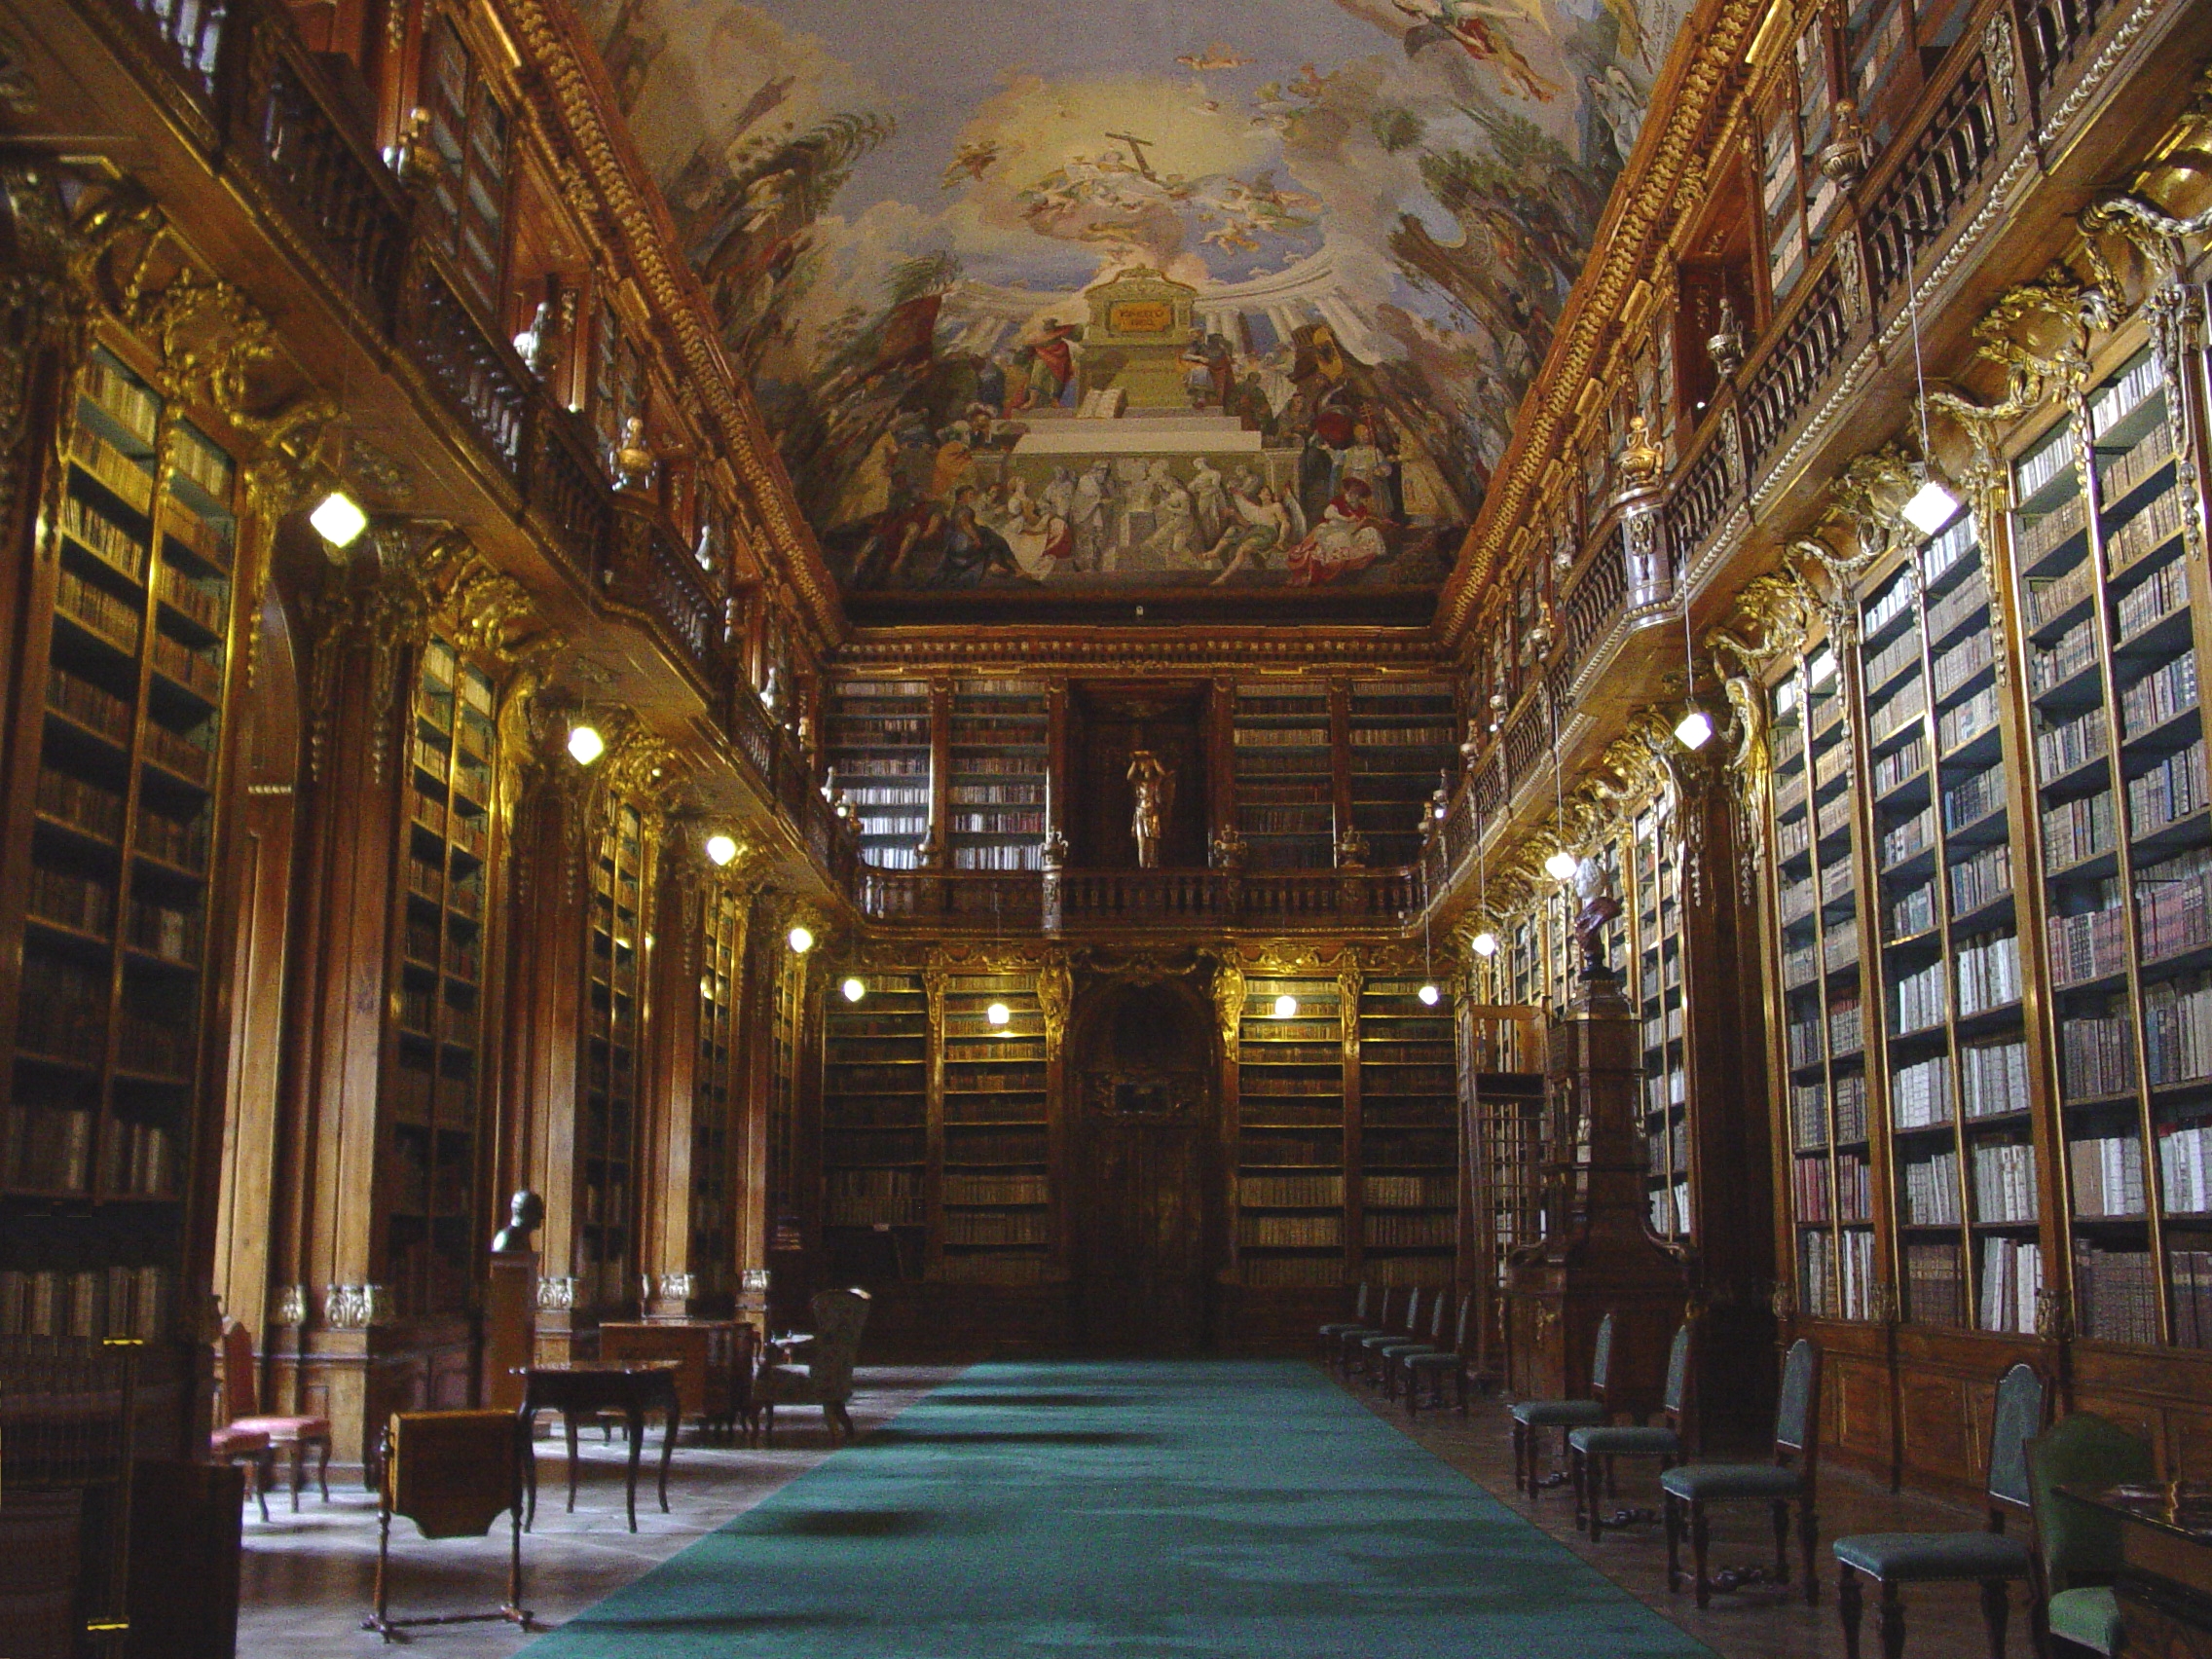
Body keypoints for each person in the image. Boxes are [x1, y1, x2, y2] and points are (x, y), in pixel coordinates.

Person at [1287, 476, 1386, 585]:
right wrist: (1346, 519)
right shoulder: (1338, 501)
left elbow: (1359, 524)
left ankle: (1375, 557)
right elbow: (1328, 513)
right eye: (1353, 491)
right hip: (1333, 530)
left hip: (1351, 532)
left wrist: (1361, 523)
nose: (1355, 495)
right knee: (1340, 538)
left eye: (1358, 493)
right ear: (1348, 490)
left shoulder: (1361, 507)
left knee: (1371, 531)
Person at [1208, 484, 1292, 584]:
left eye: (1268, 493)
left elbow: (1285, 523)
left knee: (1243, 549)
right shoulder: (1257, 510)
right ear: (1259, 496)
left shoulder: (1276, 506)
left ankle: (1223, 578)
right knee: (1233, 529)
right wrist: (1234, 513)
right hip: (1254, 531)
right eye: (1263, 493)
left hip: (1267, 534)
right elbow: (1247, 524)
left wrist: (1281, 540)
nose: (1266, 494)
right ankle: (1215, 552)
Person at [1127, 749, 1173, 868]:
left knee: (1152, 843)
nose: (1146, 769)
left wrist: (1154, 761)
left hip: (1152, 813)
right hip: (1141, 813)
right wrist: (1135, 762)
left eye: (1148, 767)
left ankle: (1152, 867)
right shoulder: (1139, 783)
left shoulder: (1154, 783)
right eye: (1144, 767)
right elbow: (1129, 776)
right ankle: (1143, 867)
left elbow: (1163, 775)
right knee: (1142, 843)